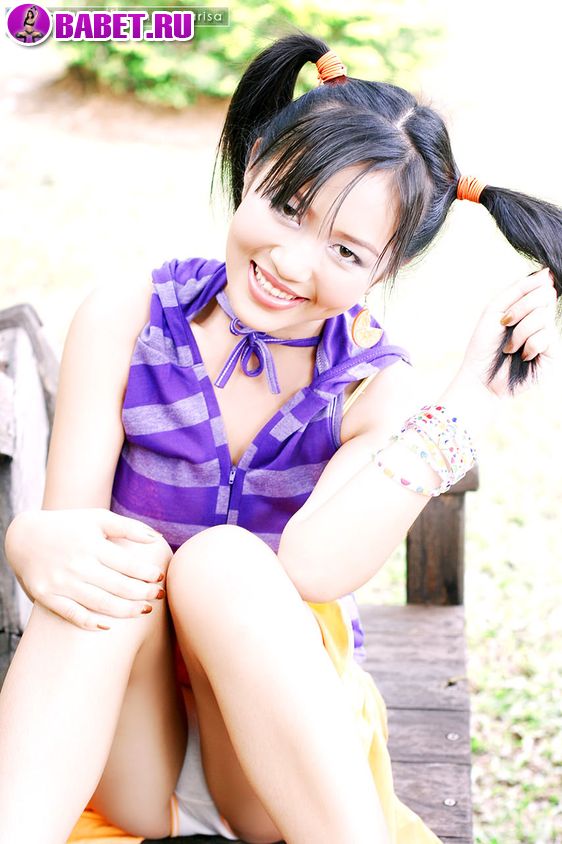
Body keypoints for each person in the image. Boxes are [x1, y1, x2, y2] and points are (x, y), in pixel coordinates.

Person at [0, 30, 560, 844]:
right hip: (123, 744)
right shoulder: (128, 318)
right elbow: (72, 539)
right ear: (255, 162)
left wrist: (466, 403)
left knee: (224, 564)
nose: (292, 264)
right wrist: (30, 539)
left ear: (386, 270)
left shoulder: (370, 386)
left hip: (280, 763)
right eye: (288, 209)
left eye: (346, 251)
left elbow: (313, 567)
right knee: (111, 563)